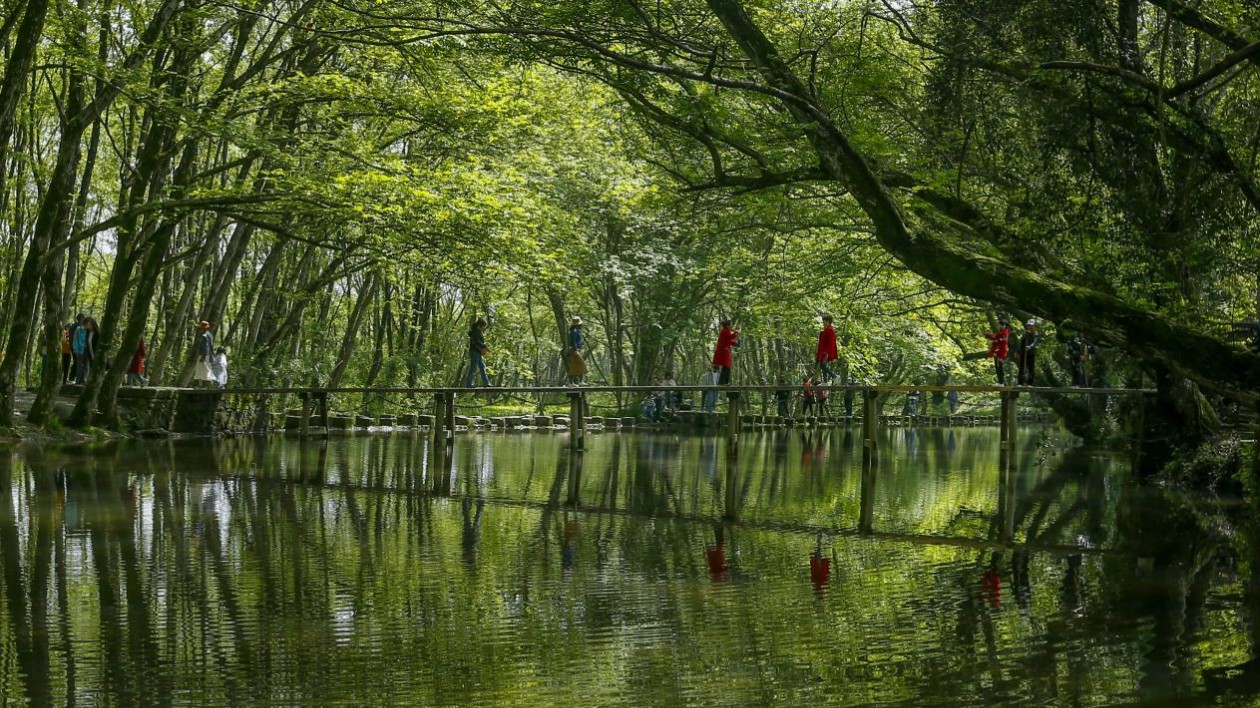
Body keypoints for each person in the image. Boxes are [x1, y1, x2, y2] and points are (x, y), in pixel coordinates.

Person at [711, 319, 739, 385]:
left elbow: (728, 341)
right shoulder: (725, 331)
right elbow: (731, 337)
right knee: (726, 366)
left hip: (724, 352)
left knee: (726, 366)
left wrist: (736, 344)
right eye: (731, 324)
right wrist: (736, 332)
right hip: (723, 352)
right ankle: (722, 382)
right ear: (727, 325)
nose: (732, 326)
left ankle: (723, 382)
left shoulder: (725, 331)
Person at [984, 317, 1011, 385]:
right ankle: (1000, 381)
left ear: (1005, 325)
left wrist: (994, 338)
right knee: (997, 367)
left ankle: (1001, 382)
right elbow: (995, 337)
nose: (1000, 326)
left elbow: (1000, 340)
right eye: (1000, 324)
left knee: (999, 367)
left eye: (1001, 325)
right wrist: (988, 335)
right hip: (997, 352)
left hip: (1001, 352)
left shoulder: (1005, 333)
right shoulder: (1000, 332)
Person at [465, 318, 491, 388]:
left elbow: (479, 342)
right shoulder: (475, 333)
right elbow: (477, 342)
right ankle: (469, 384)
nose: (484, 329)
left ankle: (486, 383)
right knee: (473, 367)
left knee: (482, 367)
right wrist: (485, 347)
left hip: (478, 352)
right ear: (479, 326)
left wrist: (483, 348)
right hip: (474, 352)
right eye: (483, 327)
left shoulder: (477, 332)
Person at [1016, 319, 1043, 386]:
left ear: (1034, 326)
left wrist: (1030, 346)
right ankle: (1020, 382)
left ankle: (1030, 382)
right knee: (1021, 367)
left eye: (1031, 325)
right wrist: (1017, 351)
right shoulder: (1025, 333)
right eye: (1028, 325)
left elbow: (1035, 342)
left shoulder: (1036, 334)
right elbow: (1021, 343)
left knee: (1031, 368)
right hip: (1023, 353)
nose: (1030, 327)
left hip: (1031, 353)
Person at [74, 317, 98, 384]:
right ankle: (78, 381)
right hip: (80, 350)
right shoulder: (79, 329)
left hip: (88, 350)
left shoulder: (89, 331)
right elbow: (75, 340)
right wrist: (76, 349)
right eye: (86, 323)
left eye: (88, 324)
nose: (87, 325)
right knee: (79, 366)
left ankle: (84, 380)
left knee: (87, 366)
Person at [193, 320, 216, 388]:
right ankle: (207, 384)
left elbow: (206, 346)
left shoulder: (204, 336)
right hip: (208, 354)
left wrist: (203, 356)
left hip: (204, 354)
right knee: (206, 369)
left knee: (202, 369)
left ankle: (203, 385)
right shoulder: (210, 335)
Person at [816, 315, 838, 381]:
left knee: (823, 365)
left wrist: (827, 351)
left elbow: (831, 342)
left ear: (828, 321)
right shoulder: (826, 329)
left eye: (824, 321)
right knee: (823, 365)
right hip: (823, 351)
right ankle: (825, 381)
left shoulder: (830, 330)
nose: (823, 322)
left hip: (826, 351)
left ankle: (835, 376)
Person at [566, 316, 587, 385]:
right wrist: (575, 350)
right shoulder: (574, 331)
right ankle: (571, 382)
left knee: (579, 366)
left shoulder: (578, 331)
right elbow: (573, 341)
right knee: (575, 366)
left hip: (578, 349)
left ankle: (580, 381)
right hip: (575, 350)